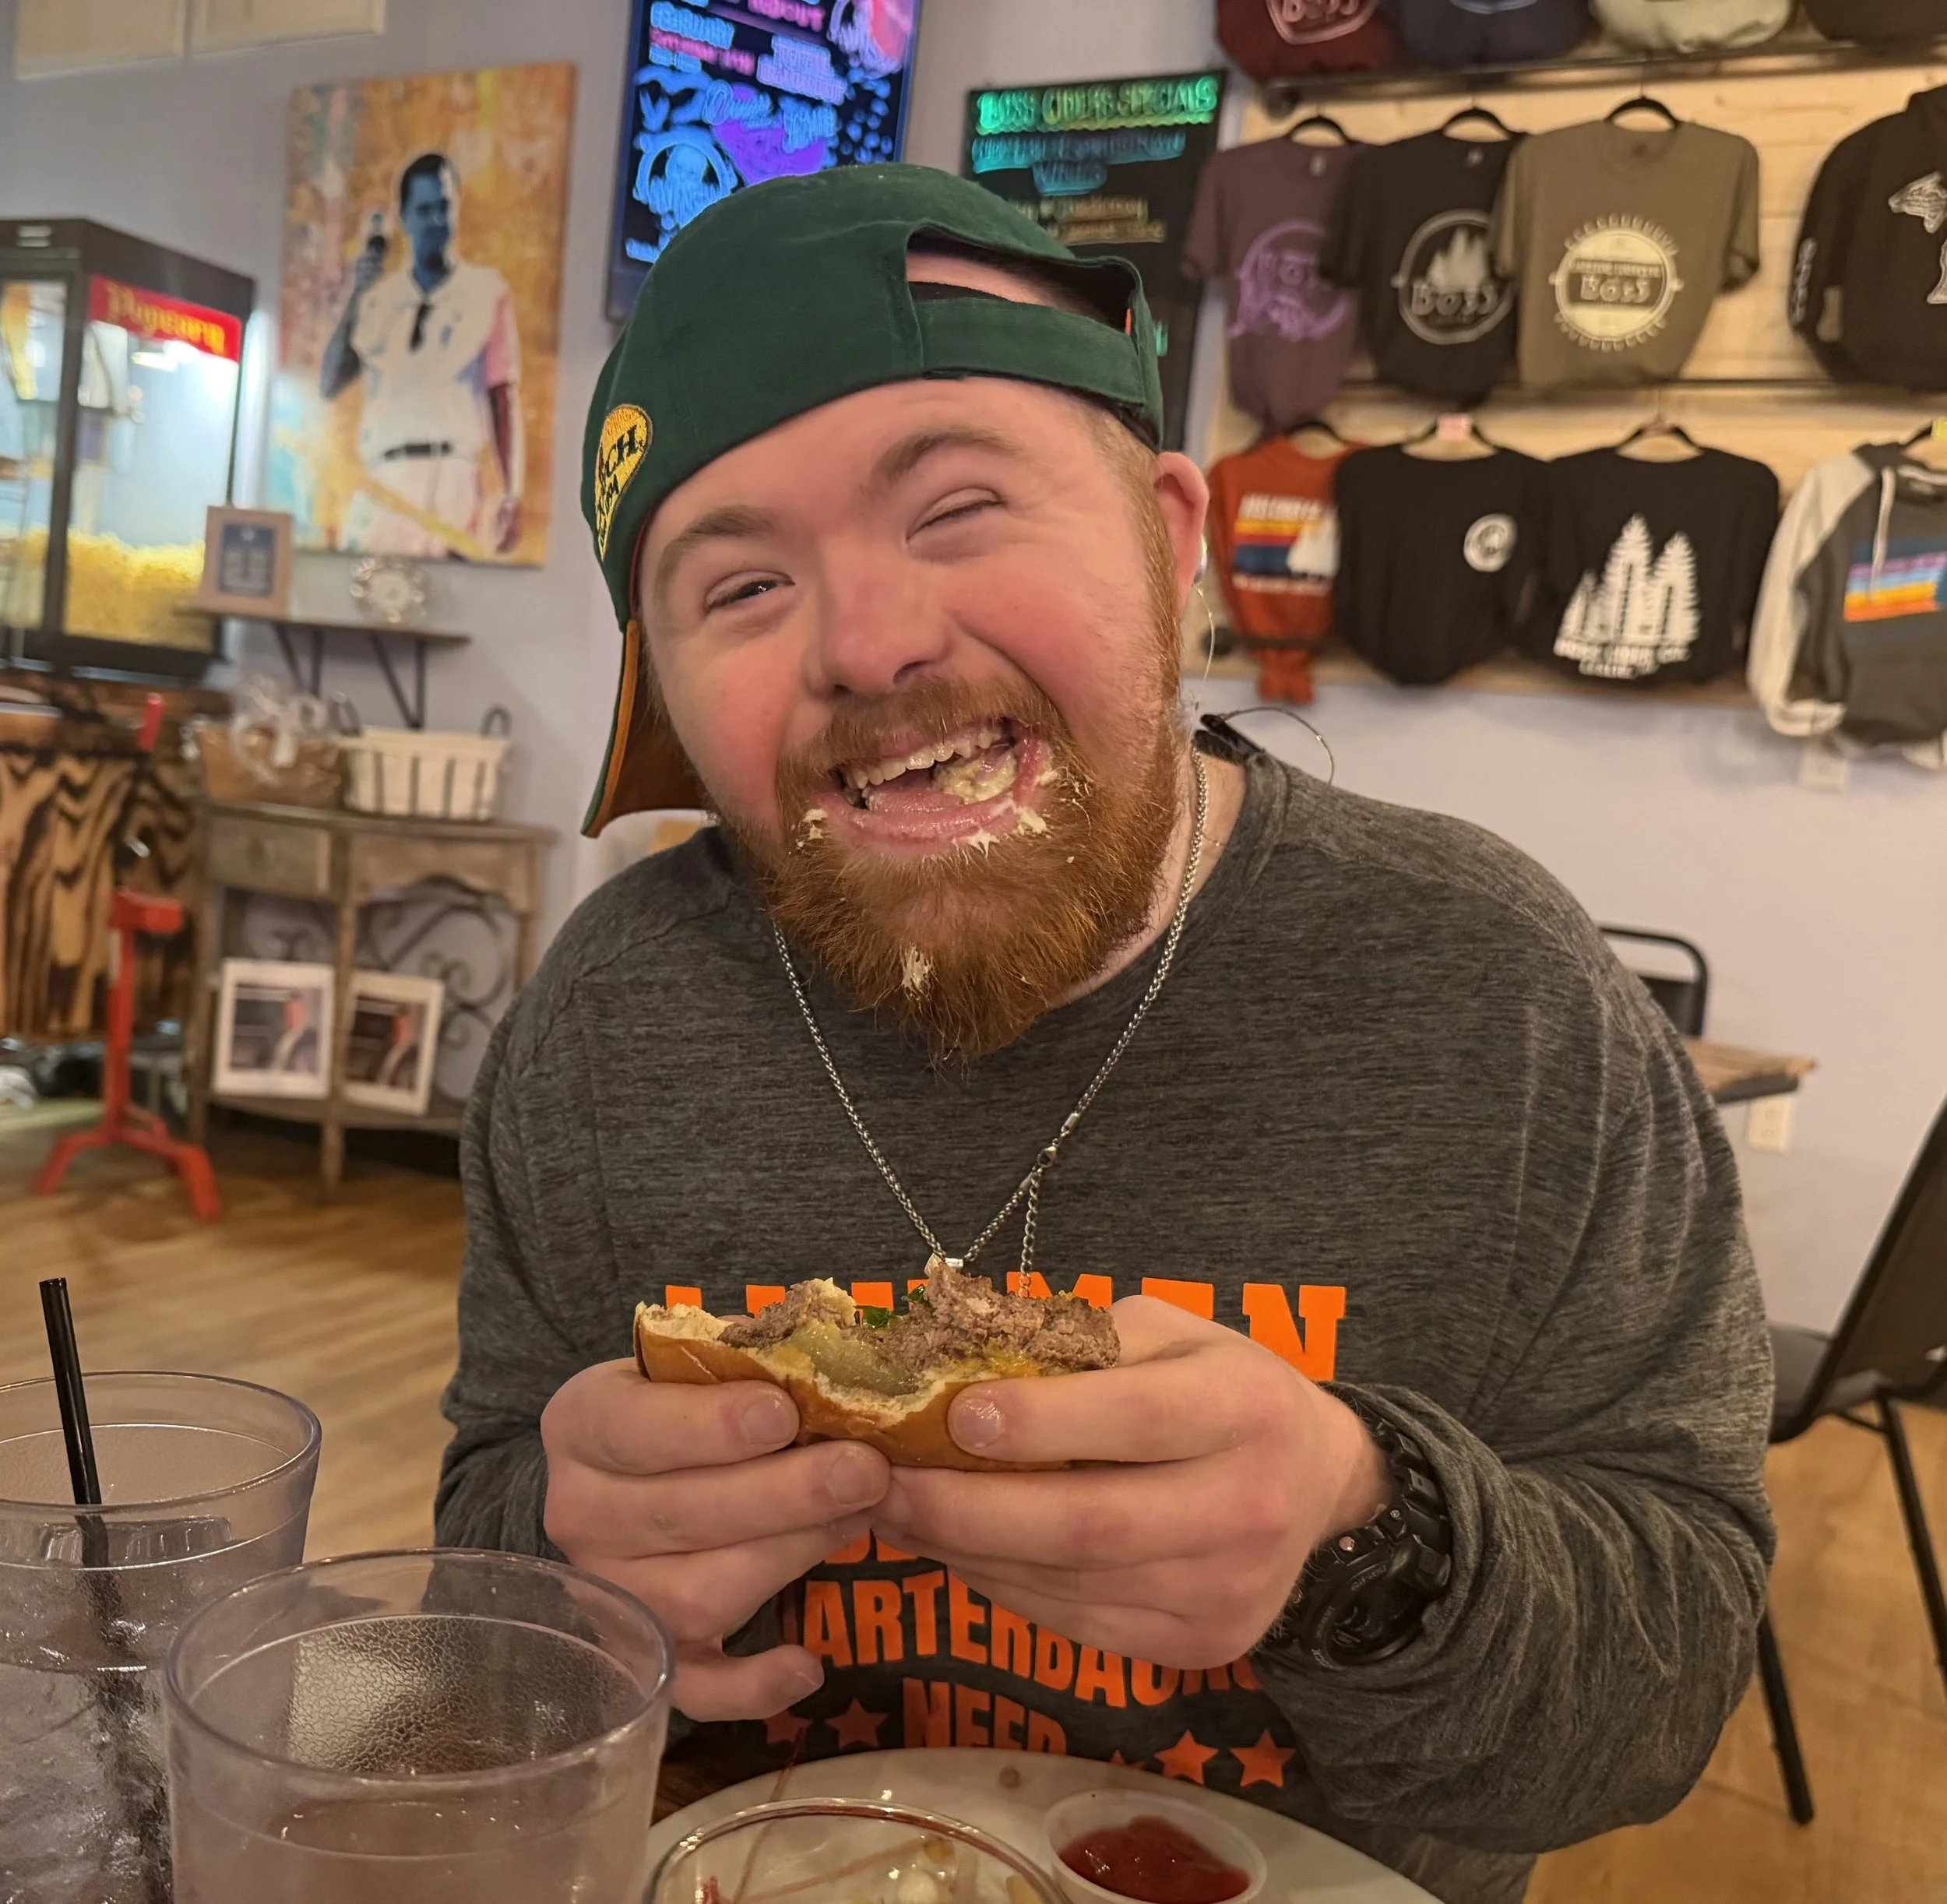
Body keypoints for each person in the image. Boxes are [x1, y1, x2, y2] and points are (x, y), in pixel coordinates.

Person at [436, 165, 1774, 1904]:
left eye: (959, 507)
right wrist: (562, 1565)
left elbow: (1661, 1690)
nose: (870, 643)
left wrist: (1358, 1533)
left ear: (1168, 537)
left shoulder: (1497, 992)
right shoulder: (604, 1026)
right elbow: (487, 1561)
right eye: (740, 588)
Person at [319, 152, 524, 558]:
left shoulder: (486, 292)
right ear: (405, 218)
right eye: (424, 210)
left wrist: (511, 492)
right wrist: (357, 293)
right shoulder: (377, 299)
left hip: (453, 477)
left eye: (444, 207)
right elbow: (330, 382)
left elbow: (503, 400)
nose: (436, 221)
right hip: (386, 478)